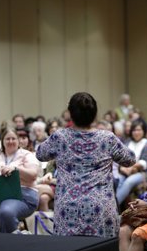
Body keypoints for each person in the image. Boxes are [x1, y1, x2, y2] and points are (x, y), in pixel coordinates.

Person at [36, 92, 136, 238]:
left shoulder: (60, 137)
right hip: (100, 208)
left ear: (70, 114)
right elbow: (130, 159)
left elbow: (40, 154)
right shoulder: (107, 138)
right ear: (95, 114)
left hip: (68, 209)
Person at [116, 119, 147, 206]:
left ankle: (113, 206)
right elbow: (120, 158)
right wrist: (122, 168)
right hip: (125, 170)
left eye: (139, 130)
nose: (136, 132)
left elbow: (145, 163)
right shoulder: (127, 142)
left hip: (143, 172)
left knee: (129, 181)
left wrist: (132, 168)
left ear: (143, 131)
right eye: (134, 130)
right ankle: (116, 207)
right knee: (117, 179)